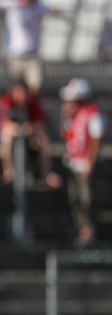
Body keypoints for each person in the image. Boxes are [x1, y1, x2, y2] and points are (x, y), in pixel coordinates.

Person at [59, 78, 105, 247]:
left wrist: (90, 164)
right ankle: (80, 230)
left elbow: (96, 141)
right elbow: (66, 136)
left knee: (87, 200)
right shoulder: (73, 116)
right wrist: (66, 118)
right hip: (74, 164)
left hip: (86, 165)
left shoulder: (93, 114)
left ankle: (89, 232)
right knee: (75, 200)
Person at [0, 80, 59, 188]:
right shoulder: (7, 101)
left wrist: (30, 128)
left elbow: (40, 124)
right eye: (19, 92)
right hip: (13, 133)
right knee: (7, 136)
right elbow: (6, 124)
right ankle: (9, 171)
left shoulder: (33, 102)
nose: (22, 95)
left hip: (30, 134)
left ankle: (46, 173)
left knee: (43, 138)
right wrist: (21, 129)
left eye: (24, 92)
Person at [0, 0, 64, 93]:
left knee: (35, 87)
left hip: (33, 56)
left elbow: (52, 11)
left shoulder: (38, 6)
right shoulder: (12, 4)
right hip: (15, 56)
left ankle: (30, 102)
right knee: (15, 88)